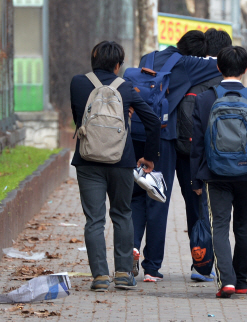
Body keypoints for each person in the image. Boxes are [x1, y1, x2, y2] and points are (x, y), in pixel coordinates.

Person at [130, 30, 222, 283]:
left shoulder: (148, 58)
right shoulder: (188, 63)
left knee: (142, 195)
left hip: (140, 135)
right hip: (167, 137)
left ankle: (134, 250)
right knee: (163, 198)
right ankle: (160, 266)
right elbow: (223, 65)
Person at [70, 41, 160, 291]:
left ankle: (99, 276)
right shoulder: (126, 87)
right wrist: (150, 157)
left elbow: (79, 118)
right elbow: (152, 121)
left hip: (87, 161)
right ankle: (122, 273)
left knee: (94, 220)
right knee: (122, 214)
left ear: (93, 59)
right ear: (118, 65)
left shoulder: (78, 82)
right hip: (122, 160)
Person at [190, 46, 247, 298]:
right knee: (244, 228)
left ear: (218, 67)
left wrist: (196, 178)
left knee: (220, 227)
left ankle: (227, 281)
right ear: (246, 69)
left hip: (215, 174)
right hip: (245, 174)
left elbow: (196, 144)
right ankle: (242, 280)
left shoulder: (204, 99)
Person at [175, 28, 232, 282]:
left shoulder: (190, 79)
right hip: (226, 158)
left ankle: (201, 263)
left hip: (190, 155)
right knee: (221, 213)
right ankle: (228, 268)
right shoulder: (229, 84)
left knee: (195, 207)